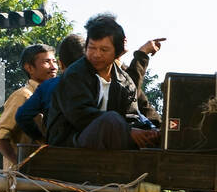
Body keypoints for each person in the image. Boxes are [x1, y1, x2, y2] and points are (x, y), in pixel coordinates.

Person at [17, 34, 165, 144]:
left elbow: (22, 116)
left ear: (61, 64)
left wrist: (42, 139)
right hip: (90, 144)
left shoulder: (48, 86)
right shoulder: (97, 81)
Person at [45, 13, 162, 150]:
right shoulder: (74, 75)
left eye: (104, 50)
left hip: (111, 141)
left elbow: (132, 116)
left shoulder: (125, 81)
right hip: (71, 142)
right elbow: (80, 115)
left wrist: (150, 133)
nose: (96, 54)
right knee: (111, 120)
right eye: (92, 48)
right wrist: (127, 131)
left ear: (117, 52)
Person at [0, 43, 56, 168]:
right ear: (29, 68)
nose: (53, 67)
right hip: (22, 182)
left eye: (55, 61)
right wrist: (21, 165)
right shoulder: (23, 95)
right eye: (47, 62)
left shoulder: (54, 96)